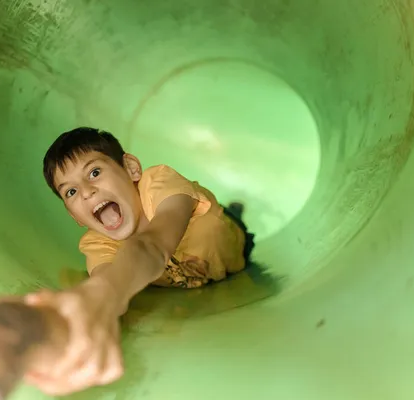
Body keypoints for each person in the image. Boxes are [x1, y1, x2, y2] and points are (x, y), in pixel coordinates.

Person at [23, 127, 256, 394]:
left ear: (131, 169)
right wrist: (76, 329)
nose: (86, 191)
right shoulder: (96, 245)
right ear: (74, 216)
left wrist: (101, 296)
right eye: (71, 192)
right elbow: (109, 284)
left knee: (232, 230)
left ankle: (234, 209)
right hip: (193, 281)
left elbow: (151, 246)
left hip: (231, 248)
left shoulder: (160, 183)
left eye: (94, 173)